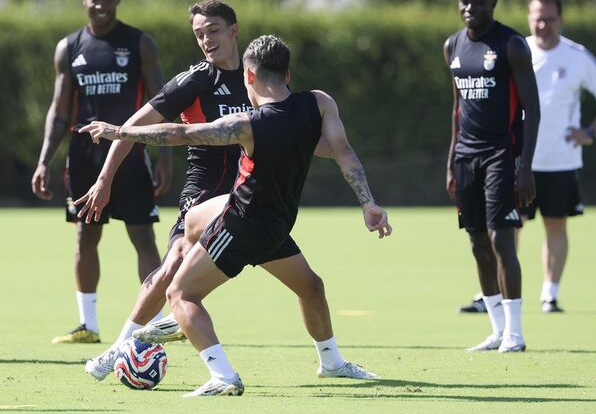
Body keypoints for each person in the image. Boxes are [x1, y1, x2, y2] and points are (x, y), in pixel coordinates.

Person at [82, 34, 393, 397]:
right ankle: (332, 362)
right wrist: (368, 203)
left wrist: (120, 131)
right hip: (277, 222)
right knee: (310, 286)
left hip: (243, 223)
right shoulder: (320, 104)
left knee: (181, 294)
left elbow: (181, 133)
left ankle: (222, 375)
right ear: (288, 74)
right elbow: (345, 154)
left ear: (248, 77)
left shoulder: (249, 124)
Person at [31, 0, 171, 344]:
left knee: (142, 236)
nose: (101, 5)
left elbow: (162, 103)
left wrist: (165, 157)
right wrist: (45, 159)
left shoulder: (140, 44)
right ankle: (88, 325)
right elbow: (60, 111)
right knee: (85, 235)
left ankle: (154, 323)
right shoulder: (69, 47)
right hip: (84, 156)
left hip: (130, 151)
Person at [445, 0, 540, 353]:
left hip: (502, 152)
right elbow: (456, 108)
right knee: (477, 243)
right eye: (465, 1)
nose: (470, 8)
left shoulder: (511, 44)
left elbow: (532, 109)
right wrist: (451, 162)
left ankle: (516, 333)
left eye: (479, 2)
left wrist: (526, 166)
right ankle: (496, 330)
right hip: (466, 157)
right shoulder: (451, 45)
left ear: (493, 3)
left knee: (502, 238)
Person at [521, 0, 596, 312]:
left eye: (550, 19)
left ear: (560, 20)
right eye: (538, 18)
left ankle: (549, 294)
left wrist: (590, 133)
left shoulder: (577, 57)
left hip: (560, 161)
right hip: (519, 159)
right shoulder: (516, 50)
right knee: (507, 225)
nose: (543, 25)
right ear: (529, 17)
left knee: (556, 225)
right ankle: (499, 296)